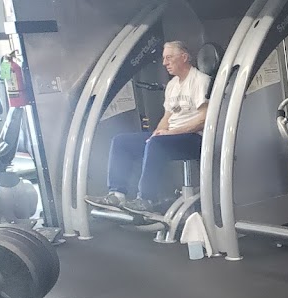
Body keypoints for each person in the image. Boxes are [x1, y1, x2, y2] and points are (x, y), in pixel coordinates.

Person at [87, 41, 211, 213]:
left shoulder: (201, 80)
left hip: (195, 138)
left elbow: (204, 119)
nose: (164, 63)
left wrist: (168, 134)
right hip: (171, 137)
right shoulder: (173, 85)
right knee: (122, 142)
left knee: (157, 143)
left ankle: (146, 199)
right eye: (164, 59)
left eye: (169, 58)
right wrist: (157, 134)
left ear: (184, 57)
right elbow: (167, 117)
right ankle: (117, 194)